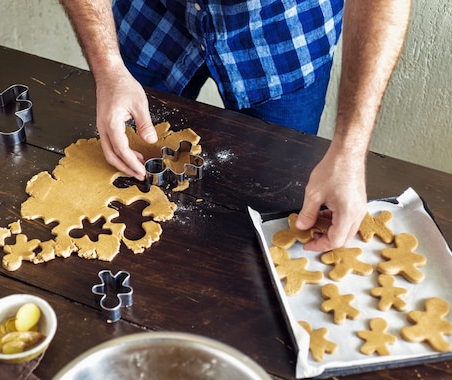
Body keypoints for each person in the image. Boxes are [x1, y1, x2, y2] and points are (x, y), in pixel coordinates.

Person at [59, 0, 412, 252]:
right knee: (120, 165)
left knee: (279, 198)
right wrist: (108, 69)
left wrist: (350, 151)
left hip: (285, 26)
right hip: (156, 14)